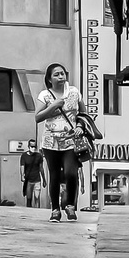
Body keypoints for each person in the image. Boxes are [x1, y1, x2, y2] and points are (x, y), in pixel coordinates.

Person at [34, 62, 84, 222]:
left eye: (62, 73)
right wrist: (53, 105)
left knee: (71, 173)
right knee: (54, 175)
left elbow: (83, 114)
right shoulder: (44, 95)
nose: (61, 77)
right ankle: (55, 209)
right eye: (56, 74)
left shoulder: (74, 92)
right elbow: (38, 117)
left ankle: (70, 205)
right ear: (49, 79)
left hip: (71, 141)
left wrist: (80, 126)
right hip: (50, 142)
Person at [19, 139, 44, 208]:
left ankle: (37, 211)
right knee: (29, 198)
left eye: (34, 146)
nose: (33, 148)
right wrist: (22, 175)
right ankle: (29, 212)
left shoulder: (39, 156)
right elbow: (22, 166)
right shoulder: (24, 156)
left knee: (37, 197)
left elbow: (41, 168)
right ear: (28, 146)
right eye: (32, 146)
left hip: (37, 180)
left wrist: (44, 180)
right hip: (28, 180)